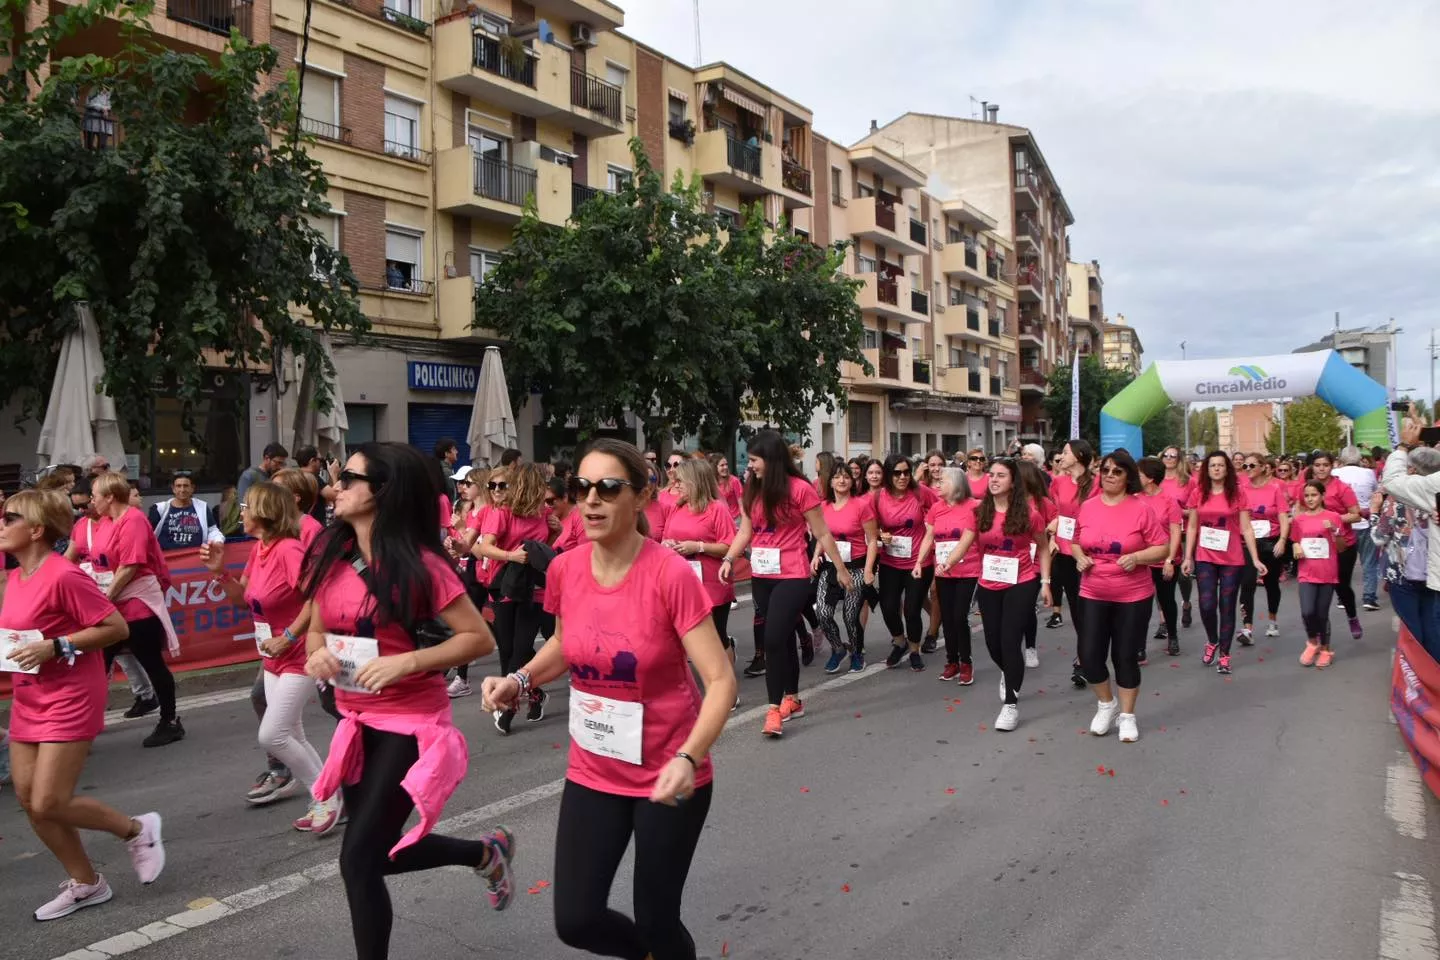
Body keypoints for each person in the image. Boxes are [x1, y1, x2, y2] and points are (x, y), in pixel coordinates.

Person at [482, 439, 735, 960]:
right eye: (581, 488)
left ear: (642, 498)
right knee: (576, 919)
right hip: (594, 769)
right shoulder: (565, 570)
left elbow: (721, 680)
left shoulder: (668, 575)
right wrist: (521, 680)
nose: (591, 500)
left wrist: (690, 757)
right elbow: (564, 642)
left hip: (668, 774)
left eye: (608, 488)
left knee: (658, 919)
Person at [300, 442, 513, 960]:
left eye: (350, 478)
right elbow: (317, 627)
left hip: (412, 723)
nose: (337, 487)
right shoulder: (333, 553)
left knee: (358, 860)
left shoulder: (421, 564)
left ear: (383, 492)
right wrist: (316, 656)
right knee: (378, 856)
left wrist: (406, 662)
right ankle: (484, 852)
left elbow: (478, 640)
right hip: (356, 719)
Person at [1, 489, 167, 921]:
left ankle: (137, 829)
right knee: (28, 798)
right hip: (30, 695)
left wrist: (56, 646)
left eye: (9, 517)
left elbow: (114, 627)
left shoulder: (64, 575)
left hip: (70, 695)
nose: (1, 524)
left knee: (49, 800)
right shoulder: (17, 577)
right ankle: (87, 883)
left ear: (36, 530)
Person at [200, 482, 340, 833]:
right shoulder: (260, 548)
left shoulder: (290, 550)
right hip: (273, 655)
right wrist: (220, 572)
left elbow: (317, 596)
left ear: (264, 513)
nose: (240, 511)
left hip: (299, 653)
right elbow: (243, 599)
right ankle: (326, 796)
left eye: (246, 506)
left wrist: (290, 635)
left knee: (272, 734)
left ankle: (326, 798)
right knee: (292, 731)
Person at [720, 430, 851, 738]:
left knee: (774, 638)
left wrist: (842, 570)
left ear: (771, 459)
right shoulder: (752, 488)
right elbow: (746, 531)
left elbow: (822, 532)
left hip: (793, 574)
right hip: (763, 575)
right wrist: (728, 558)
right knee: (782, 637)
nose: (750, 466)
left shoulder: (800, 489)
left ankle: (774, 709)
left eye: (754, 460)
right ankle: (792, 697)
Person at [944, 457, 1052, 731]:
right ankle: (1009, 671)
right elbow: (965, 542)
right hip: (989, 584)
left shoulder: (1029, 514)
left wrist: (1046, 582)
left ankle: (1011, 706)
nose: (993, 479)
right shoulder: (980, 513)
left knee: (1009, 639)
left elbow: (1042, 547)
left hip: (1022, 582)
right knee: (993, 644)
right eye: (991, 474)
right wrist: (949, 561)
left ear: (1013, 481)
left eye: (1000, 475)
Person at [1070, 451, 1169, 743]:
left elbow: (1161, 548)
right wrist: (1079, 558)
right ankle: (1106, 704)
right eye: (1106, 470)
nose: (1110, 475)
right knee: (1089, 657)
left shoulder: (1141, 508)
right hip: (1092, 591)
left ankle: (1127, 716)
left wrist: (1137, 557)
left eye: (1117, 471)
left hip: (1132, 596)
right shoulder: (1087, 507)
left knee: (1124, 657)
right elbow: (1076, 542)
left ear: (1129, 478)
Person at [88, 472, 183, 746]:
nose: (92, 501)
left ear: (109, 497)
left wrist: (104, 599)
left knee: (152, 662)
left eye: (95, 496)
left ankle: (170, 720)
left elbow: (130, 566)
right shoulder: (105, 522)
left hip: (136, 605)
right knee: (98, 665)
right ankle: (84, 725)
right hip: (114, 602)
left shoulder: (134, 520)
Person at [474, 461, 555, 734]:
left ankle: (505, 709)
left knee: (519, 650)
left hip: (534, 590)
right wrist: (512, 556)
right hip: (505, 589)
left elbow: (546, 548)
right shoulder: (503, 512)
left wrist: (554, 530)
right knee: (508, 650)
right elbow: (484, 547)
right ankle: (535, 694)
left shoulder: (544, 513)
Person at [1183, 452, 1268, 675]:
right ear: (1207, 469)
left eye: (1221, 465)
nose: (1217, 469)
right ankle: (1212, 640)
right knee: (1207, 603)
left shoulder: (1238, 493)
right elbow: (1192, 526)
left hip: (1232, 557)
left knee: (1227, 605)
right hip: (1205, 556)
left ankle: (1225, 655)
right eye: (1213, 465)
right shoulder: (1198, 493)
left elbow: (1246, 528)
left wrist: (1256, 558)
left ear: (1227, 469)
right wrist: (1188, 556)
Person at [661, 459, 738, 698]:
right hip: (684, 582)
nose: (676, 483)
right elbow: (665, 537)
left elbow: (729, 546)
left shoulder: (717, 509)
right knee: (682, 637)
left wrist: (699, 546)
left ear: (696, 481)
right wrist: (669, 545)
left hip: (713, 582)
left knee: (714, 636)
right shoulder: (678, 507)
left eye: (681, 480)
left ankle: (727, 690)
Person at [1378, 422, 1440, 661]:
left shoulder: (1424, 491)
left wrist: (1404, 445)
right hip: (1424, 576)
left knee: (1420, 631)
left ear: (1412, 469)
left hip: (1407, 575)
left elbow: (1392, 481)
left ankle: (1425, 684)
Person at [873, 454, 938, 672]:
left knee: (912, 609)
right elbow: (870, 527)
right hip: (890, 562)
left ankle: (914, 650)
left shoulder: (921, 493)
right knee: (888, 607)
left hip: (919, 562)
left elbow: (941, 512)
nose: (902, 477)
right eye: (897, 473)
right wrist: (881, 535)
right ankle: (899, 641)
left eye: (906, 472)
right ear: (888, 475)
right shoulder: (878, 497)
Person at [814, 460, 878, 674]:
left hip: (856, 567)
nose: (842, 480)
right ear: (830, 482)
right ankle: (838, 648)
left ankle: (856, 652)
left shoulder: (861, 505)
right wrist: (816, 555)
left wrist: (869, 570)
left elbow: (872, 540)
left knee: (850, 615)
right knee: (822, 613)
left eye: (846, 477)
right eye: (837, 477)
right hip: (831, 567)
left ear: (852, 481)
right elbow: (823, 536)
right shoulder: (823, 507)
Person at [918, 467, 979, 684]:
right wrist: (919, 562)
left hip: (968, 570)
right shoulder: (936, 508)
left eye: (942, 481)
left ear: (955, 484)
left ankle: (966, 663)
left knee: (959, 617)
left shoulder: (974, 506)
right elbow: (928, 537)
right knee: (948, 618)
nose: (937, 483)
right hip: (943, 571)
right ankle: (951, 661)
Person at [1289, 480, 1345, 668]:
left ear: (1322, 496)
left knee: (1321, 614)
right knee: (1307, 611)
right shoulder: (1299, 519)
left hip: (1327, 572)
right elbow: (1295, 540)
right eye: (1307, 495)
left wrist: (1334, 531)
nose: (1310, 499)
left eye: (1314, 495)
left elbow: (1342, 547)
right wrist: (1296, 545)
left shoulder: (1333, 517)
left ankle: (1326, 649)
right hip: (1306, 572)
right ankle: (1313, 642)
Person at [1310, 451, 1364, 638]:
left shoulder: (1342, 488)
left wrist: (1333, 520)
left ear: (1333, 466)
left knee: (1342, 586)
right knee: (1319, 589)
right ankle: (1320, 631)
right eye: (1317, 465)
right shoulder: (1308, 488)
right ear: (1312, 467)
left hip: (1343, 544)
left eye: (1325, 464)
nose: (1321, 468)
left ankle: (1352, 617)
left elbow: (1356, 514)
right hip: (1316, 546)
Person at [1238, 454, 1290, 643]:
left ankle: (1272, 620)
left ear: (1263, 467)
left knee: (1271, 583)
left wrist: (1282, 540)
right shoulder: (1240, 490)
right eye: (1245, 465)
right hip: (1247, 542)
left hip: (1270, 541)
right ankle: (1247, 629)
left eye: (1252, 465)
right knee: (1247, 582)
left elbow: (1283, 516)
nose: (1248, 468)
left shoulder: (1274, 489)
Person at [1046, 439, 1094, 633]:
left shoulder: (1096, 483)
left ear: (1079, 456)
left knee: (1089, 603)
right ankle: (1083, 649)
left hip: (1088, 548)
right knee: (1074, 600)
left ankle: (1092, 645)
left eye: (1066, 453)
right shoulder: (1058, 482)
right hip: (1064, 547)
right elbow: (1055, 512)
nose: (1061, 457)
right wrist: (1051, 538)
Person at [1138, 457, 1183, 656]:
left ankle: (1172, 636)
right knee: (1141, 604)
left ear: (1150, 478)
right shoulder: (1135, 498)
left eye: (1138, 474)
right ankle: (1139, 646)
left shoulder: (1169, 500)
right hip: (1142, 560)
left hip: (1165, 559)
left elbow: (1175, 532)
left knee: (1166, 600)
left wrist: (1170, 560)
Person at [1334, 446, 1381, 611]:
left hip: (1343, 523)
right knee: (1369, 562)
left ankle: (1342, 596)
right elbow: (1376, 492)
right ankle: (1369, 597)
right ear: (1359, 458)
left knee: (1343, 563)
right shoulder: (1368, 473)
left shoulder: (1335, 474)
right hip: (1364, 521)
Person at [1159, 445, 1196, 627]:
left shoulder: (1188, 481)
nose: (1169, 458)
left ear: (1179, 459)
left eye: (1173, 455)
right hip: (1161, 532)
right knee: (1161, 576)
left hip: (1182, 531)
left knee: (1183, 575)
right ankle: (1164, 620)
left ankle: (1186, 602)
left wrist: (1179, 511)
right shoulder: (1156, 480)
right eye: (1165, 455)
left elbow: (1195, 510)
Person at [147, 472, 225, 551]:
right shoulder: (159, 509)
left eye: (186, 486)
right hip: (167, 559)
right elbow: (146, 535)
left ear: (192, 488)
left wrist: (218, 541)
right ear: (173, 489)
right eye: (178, 486)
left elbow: (213, 530)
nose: (182, 490)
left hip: (195, 559)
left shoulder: (202, 507)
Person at [273, 468, 325, 548]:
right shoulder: (273, 524)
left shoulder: (312, 529)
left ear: (295, 498)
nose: (269, 495)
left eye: (277, 491)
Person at [294, 445, 338, 523]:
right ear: (312, 461)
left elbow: (326, 494)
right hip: (314, 524)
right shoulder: (313, 478)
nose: (321, 464)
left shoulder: (295, 476)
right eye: (320, 460)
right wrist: (334, 474)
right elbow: (335, 496)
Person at [712, 455, 744, 522]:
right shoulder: (712, 483)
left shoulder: (734, 481)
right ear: (715, 467)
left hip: (735, 520)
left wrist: (744, 521)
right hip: (720, 520)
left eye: (726, 464)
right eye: (722, 465)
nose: (725, 467)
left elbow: (741, 504)